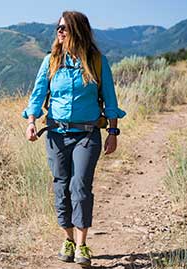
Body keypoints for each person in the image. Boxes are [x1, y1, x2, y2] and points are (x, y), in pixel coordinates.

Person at [22, 11, 126, 267]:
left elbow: (110, 100)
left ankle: (82, 245)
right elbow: (37, 95)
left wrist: (112, 132)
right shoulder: (51, 61)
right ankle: (67, 239)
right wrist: (31, 122)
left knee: (79, 187)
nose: (60, 32)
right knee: (61, 186)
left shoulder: (97, 61)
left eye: (65, 28)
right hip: (56, 135)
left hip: (87, 135)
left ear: (78, 31)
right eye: (58, 28)